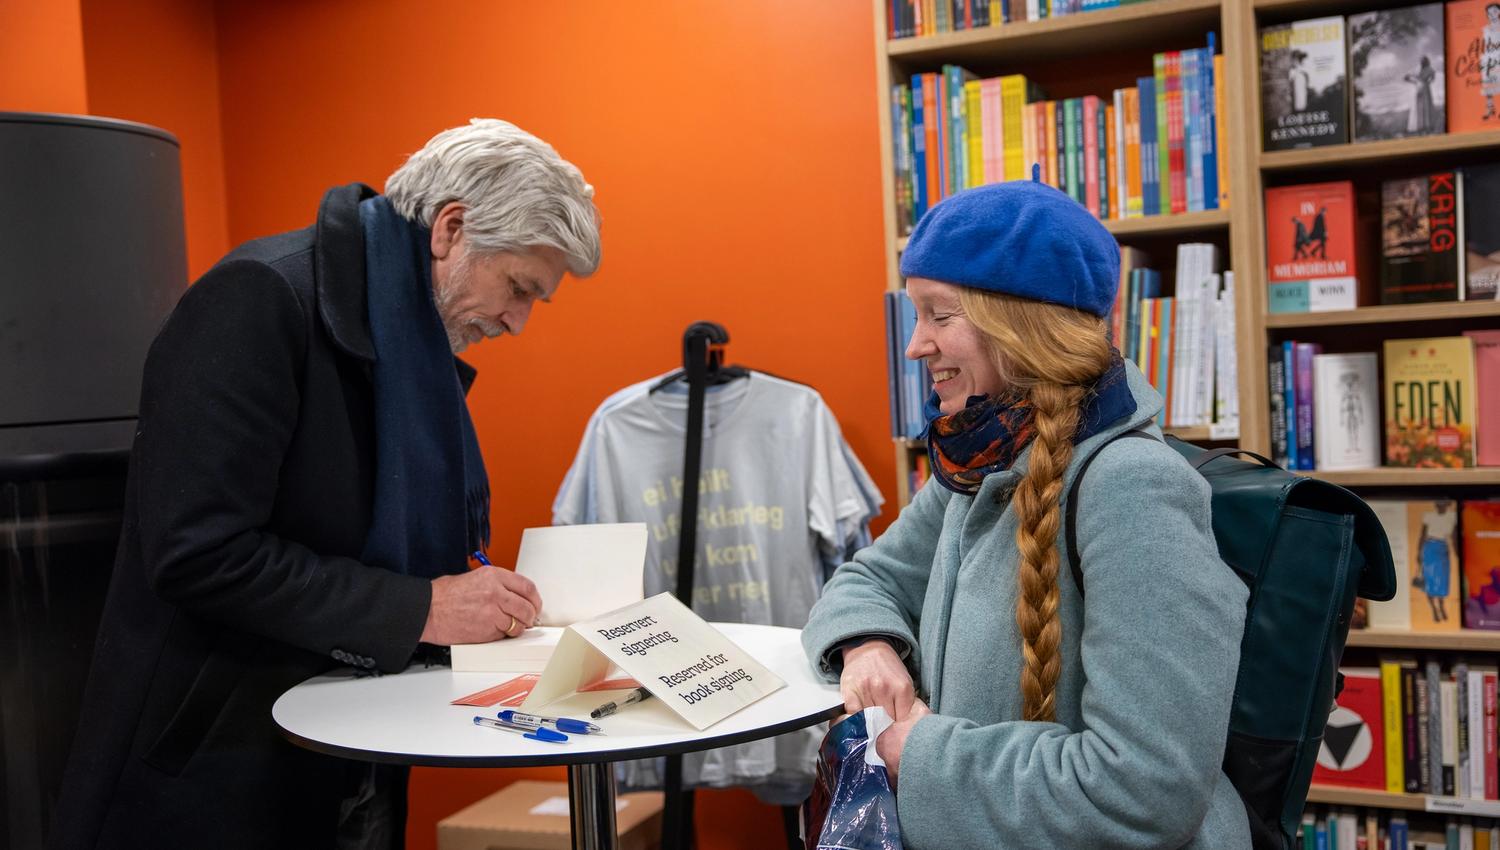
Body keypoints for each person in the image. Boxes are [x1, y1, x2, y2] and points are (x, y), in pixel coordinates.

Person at [50, 119, 601, 850]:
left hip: (343, 763)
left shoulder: (405, 341)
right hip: (213, 774)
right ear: (451, 229)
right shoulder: (260, 297)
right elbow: (197, 552)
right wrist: (423, 608)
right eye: (519, 287)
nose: (518, 321)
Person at [802, 180, 1250, 849]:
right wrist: (868, 646)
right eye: (915, 316)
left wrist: (916, 752)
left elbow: (1145, 790)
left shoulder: (1133, 488)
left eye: (939, 315)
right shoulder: (976, 465)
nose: (914, 346)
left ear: (1019, 326)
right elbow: (865, 578)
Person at [1405, 55, 1438, 134]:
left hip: (1425, 89)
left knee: (1426, 105)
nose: (1422, 62)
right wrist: (1414, 82)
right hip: (1418, 88)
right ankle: (1418, 126)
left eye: (1423, 61)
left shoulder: (1430, 70)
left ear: (1426, 61)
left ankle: (1427, 126)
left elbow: (1433, 78)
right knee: (1417, 106)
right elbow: (1406, 77)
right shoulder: (1416, 69)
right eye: (1421, 61)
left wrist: (1426, 82)